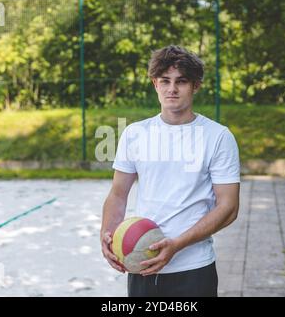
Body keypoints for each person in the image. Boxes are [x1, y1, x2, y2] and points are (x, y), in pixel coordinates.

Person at [100, 45, 240, 297]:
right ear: (155, 84)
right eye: (165, 81)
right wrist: (108, 234)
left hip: (193, 268)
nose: (172, 89)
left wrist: (176, 245)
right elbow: (118, 194)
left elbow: (228, 207)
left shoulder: (218, 136)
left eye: (181, 81)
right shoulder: (135, 134)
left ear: (195, 85)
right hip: (141, 263)